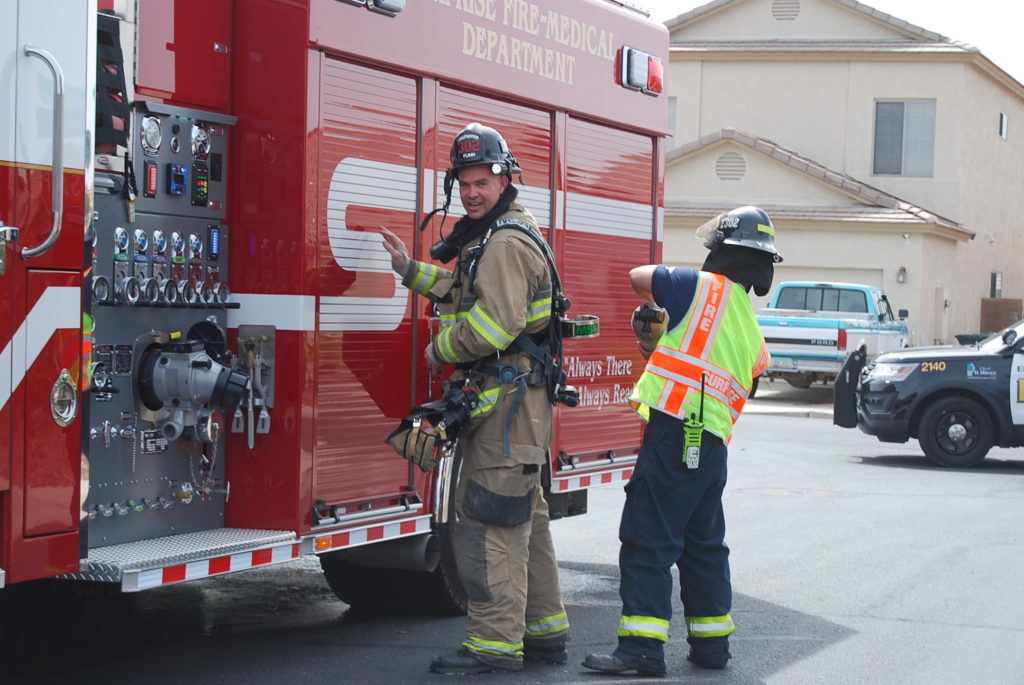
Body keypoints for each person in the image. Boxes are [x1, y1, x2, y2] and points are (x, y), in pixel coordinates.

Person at [380, 123, 569, 674]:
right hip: (518, 404)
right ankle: (544, 631)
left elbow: (494, 324)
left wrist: (438, 349)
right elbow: (465, 290)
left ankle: (493, 645)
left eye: (481, 182)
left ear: (505, 180)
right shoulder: (501, 233)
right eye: (463, 184)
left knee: (488, 522)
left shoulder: (504, 243)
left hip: (507, 405)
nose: (471, 193)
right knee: (524, 520)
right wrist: (409, 270)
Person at [582, 206, 782, 676]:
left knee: (648, 537)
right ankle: (712, 647)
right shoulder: (751, 330)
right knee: (703, 543)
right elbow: (743, 381)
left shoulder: (696, 286)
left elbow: (638, 277)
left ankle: (641, 650)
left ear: (721, 250)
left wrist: (666, 317)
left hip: (675, 432)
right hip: (711, 447)